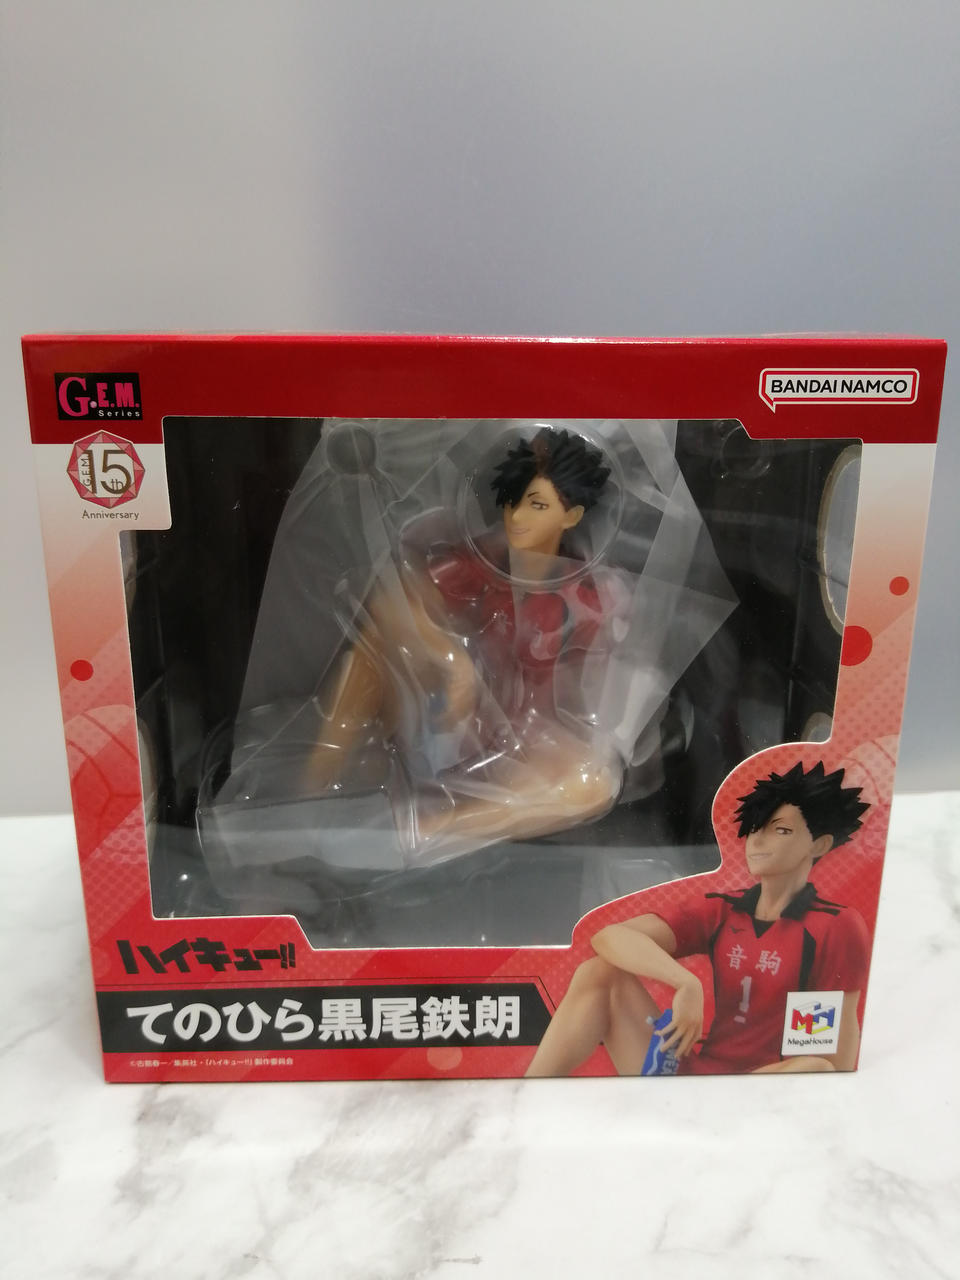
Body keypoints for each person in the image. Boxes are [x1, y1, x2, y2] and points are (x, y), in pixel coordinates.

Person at [525, 761, 871, 1075]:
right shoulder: (724, 909)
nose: (758, 841)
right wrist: (684, 983)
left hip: (762, 1089)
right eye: (755, 828)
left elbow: (834, 1061)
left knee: (814, 1065)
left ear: (819, 844)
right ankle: (530, 1093)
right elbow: (609, 937)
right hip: (695, 1076)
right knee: (599, 972)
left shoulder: (834, 926)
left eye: (781, 830)